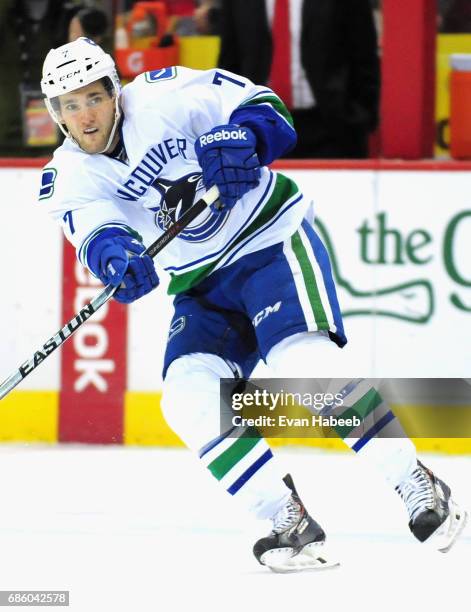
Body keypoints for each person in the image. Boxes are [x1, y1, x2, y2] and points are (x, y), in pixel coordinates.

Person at [38, 38, 467, 572]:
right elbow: (97, 235)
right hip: (201, 285)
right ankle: (283, 517)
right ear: (56, 113)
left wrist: (244, 137)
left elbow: (268, 110)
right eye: (69, 106)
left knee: (304, 368)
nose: (84, 115)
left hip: (270, 241)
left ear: (115, 91)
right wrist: (116, 260)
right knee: (187, 397)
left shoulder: (168, 94)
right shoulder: (68, 176)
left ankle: (414, 480)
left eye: (93, 98)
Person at [217, 0, 380, 159]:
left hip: (330, 128)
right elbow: (230, 63)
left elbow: (365, 57)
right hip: (260, 131)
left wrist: (359, 119)